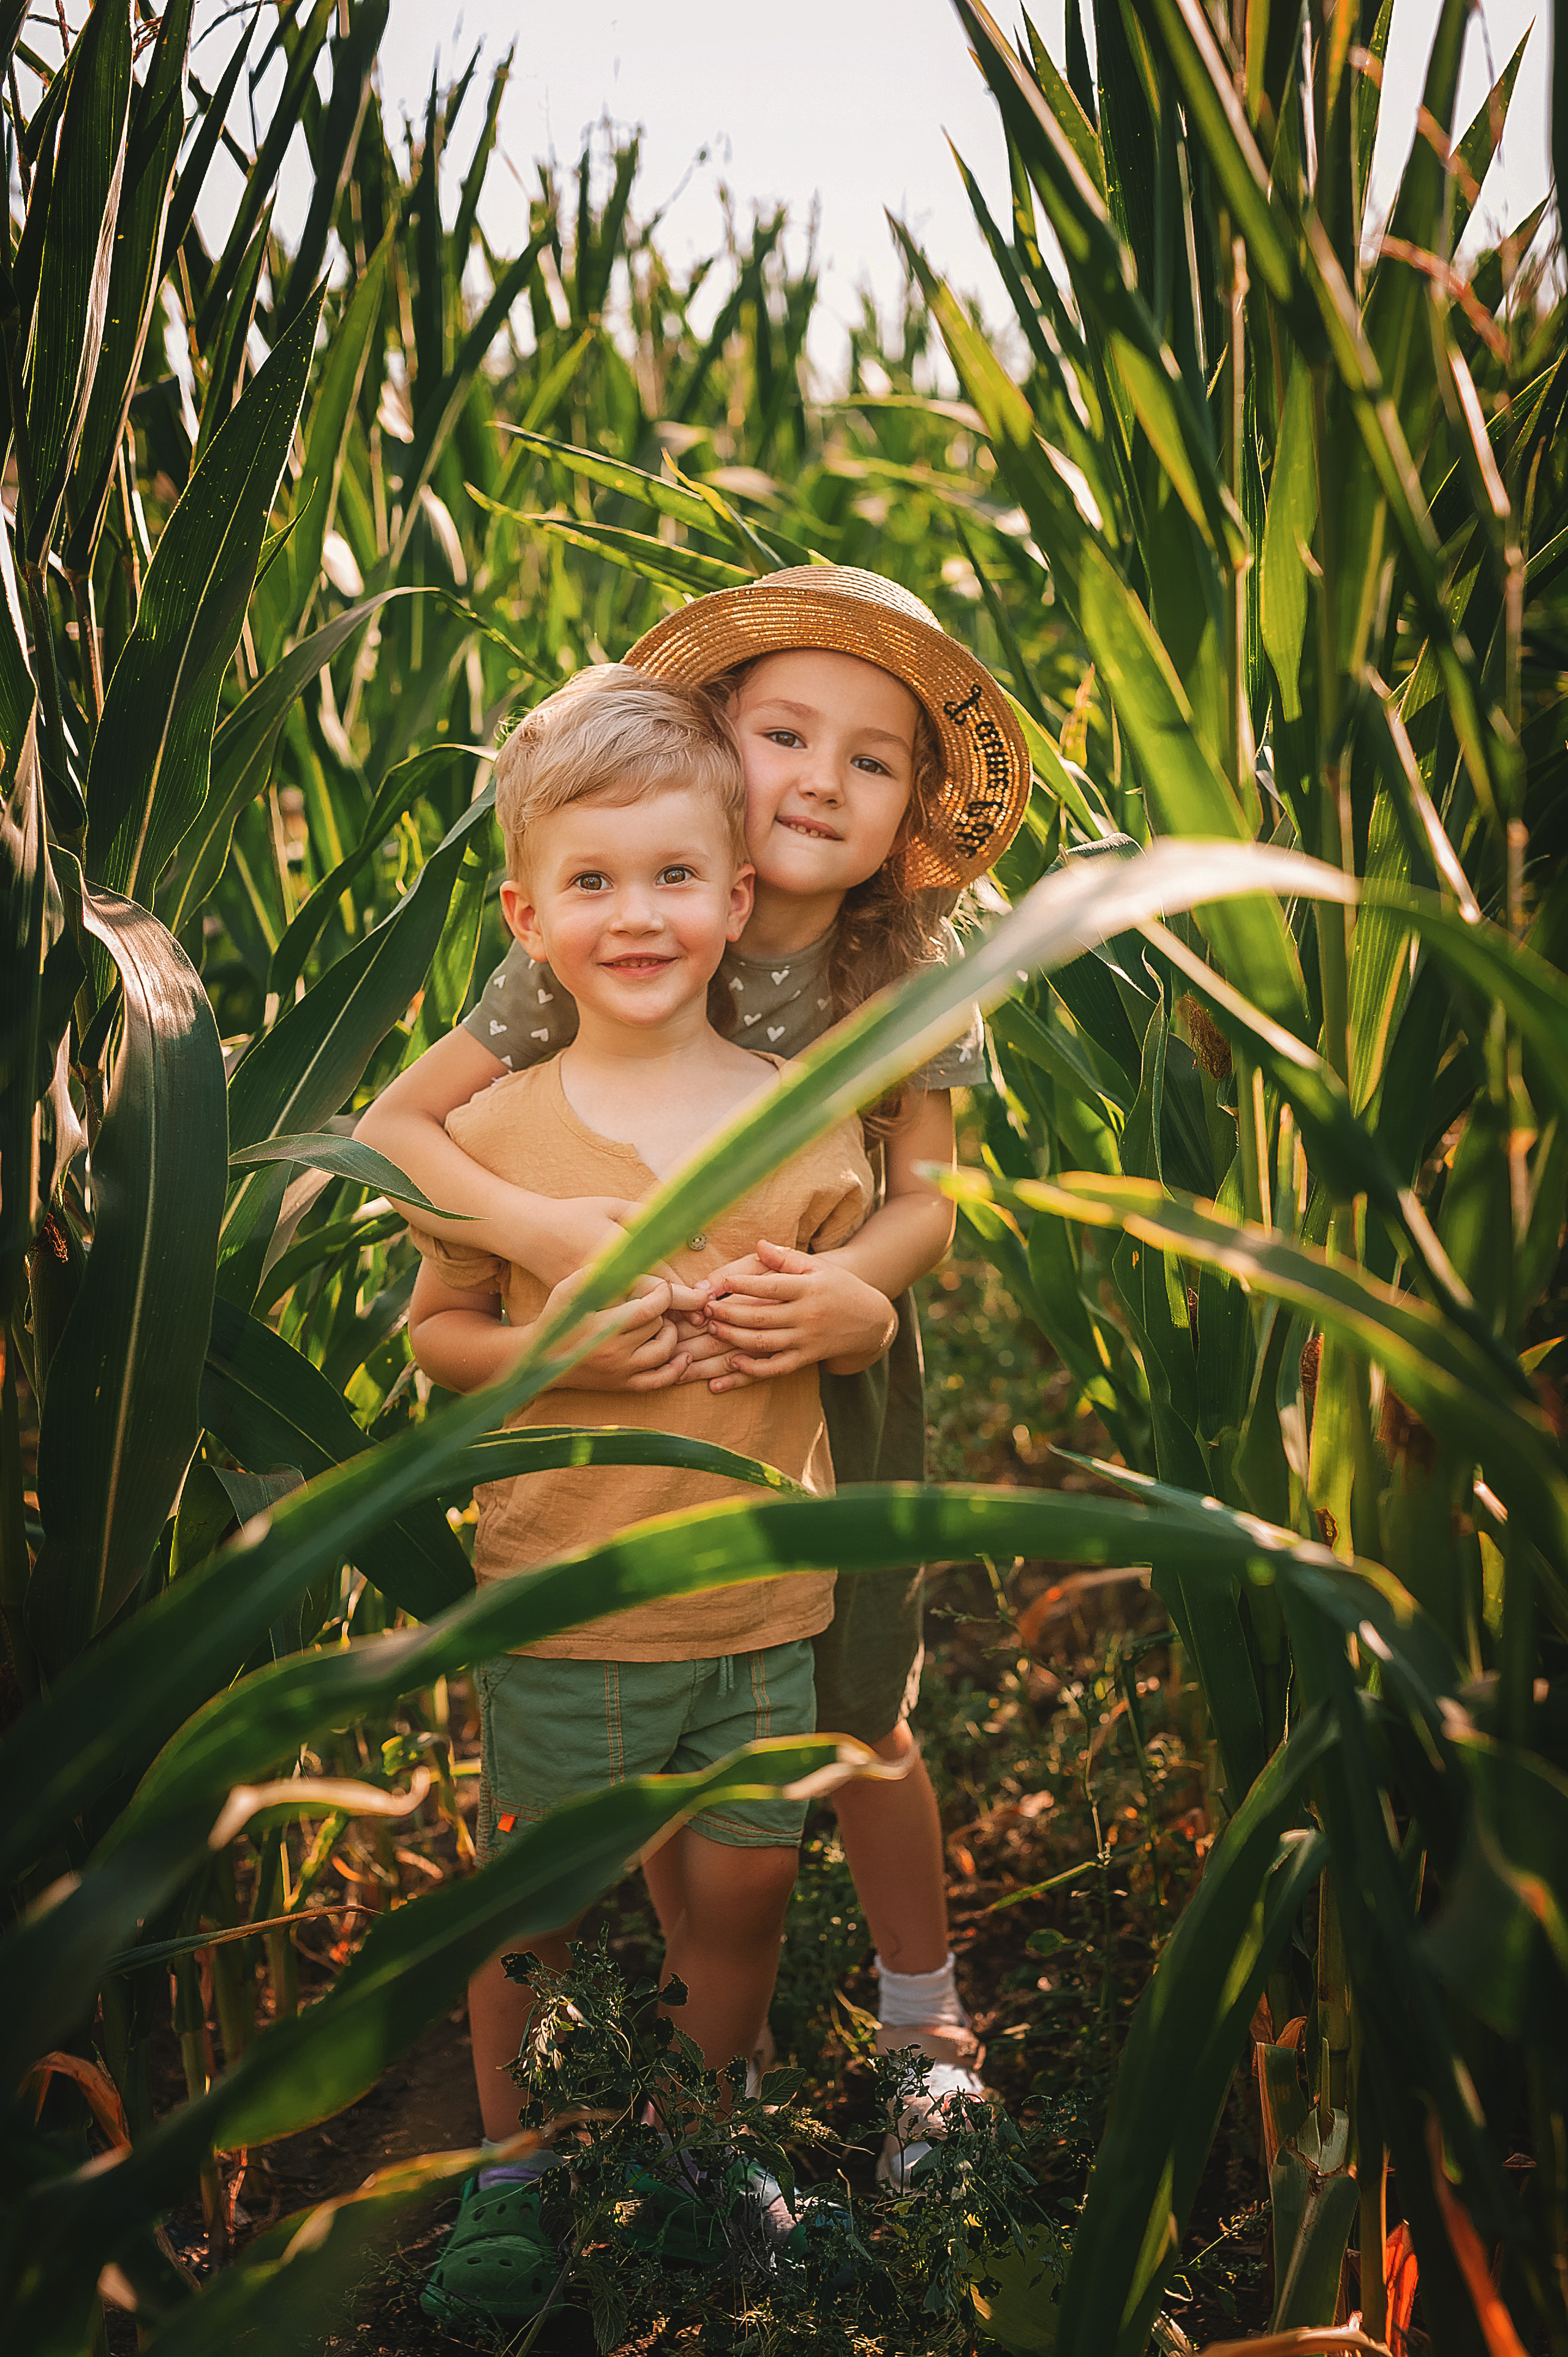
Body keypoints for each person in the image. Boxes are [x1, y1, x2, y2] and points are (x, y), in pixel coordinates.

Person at [358, 567, 1031, 2190]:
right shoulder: (620, 913)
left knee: (860, 1699)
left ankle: (921, 2025)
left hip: (823, 1372)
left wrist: (856, 1300)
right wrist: (545, 1230)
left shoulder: (903, 981)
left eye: (873, 762)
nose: (821, 776)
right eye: (787, 732)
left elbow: (926, 1198)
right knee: (680, 1679)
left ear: (906, 817)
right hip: (626, 1402)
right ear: (719, 746)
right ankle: (697, 2012)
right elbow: (399, 1124)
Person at [409, 664, 879, 2324]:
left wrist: (853, 1302)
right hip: (566, 1603)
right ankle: (514, 2161)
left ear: (736, 896)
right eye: (594, 883)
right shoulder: (503, 1131)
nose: (638, 914)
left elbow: (849, 1296)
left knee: (744, 1892)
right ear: (529, 915)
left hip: (757, 1603)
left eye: (675, 876)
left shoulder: (804, 1127)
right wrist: (577, 1365)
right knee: (530, 1903)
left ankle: (703, 2137)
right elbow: (443, 1338)